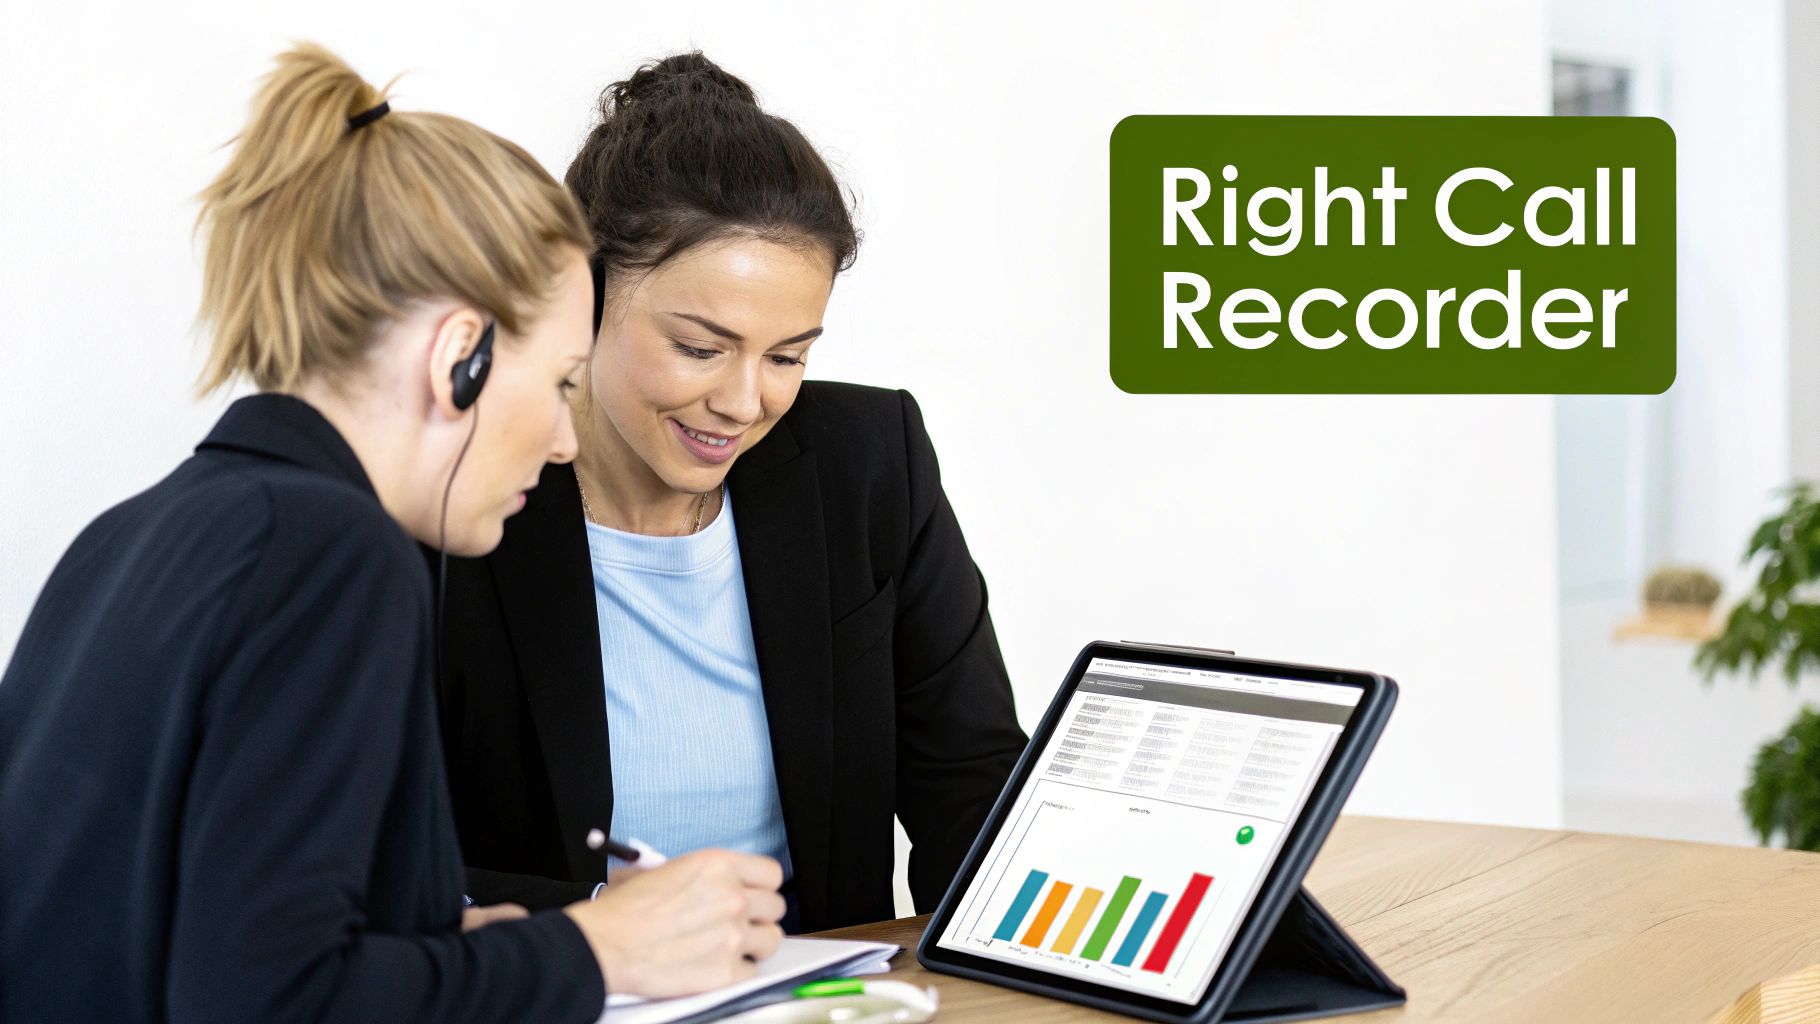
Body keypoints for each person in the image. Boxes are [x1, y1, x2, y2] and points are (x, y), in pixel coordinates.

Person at [0, 43, 782, 1022]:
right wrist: (595, 945)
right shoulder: (334, 553)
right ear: (459, 356)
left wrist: (454, 952)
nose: (554, 440)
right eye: (556, 385)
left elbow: (187, 935)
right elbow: (269, 1001)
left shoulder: (130, 537)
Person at [437, 52, 1028, 933]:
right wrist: (607, 928)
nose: (746, 403)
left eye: (789, 355)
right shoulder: (457, 493)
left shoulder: (867, 465)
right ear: (584, 299)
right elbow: (374, 859)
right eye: (701, 347)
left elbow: (972, 785)